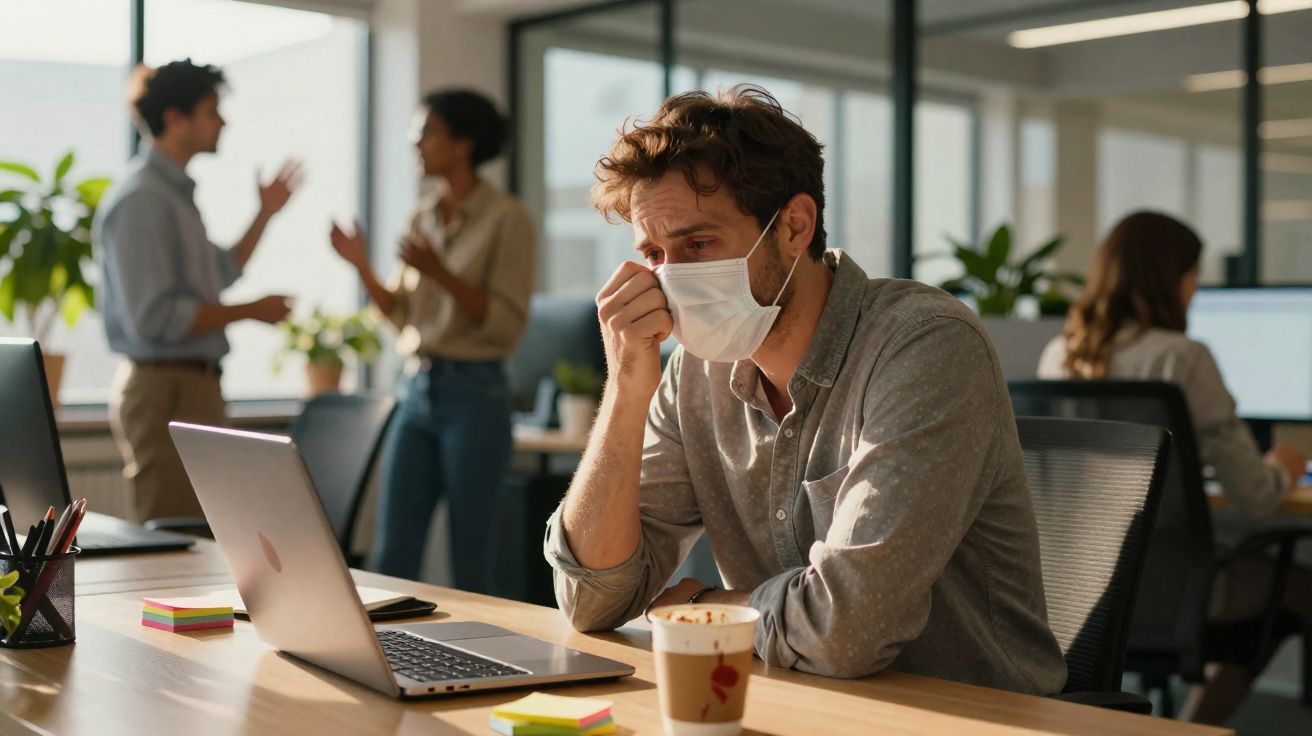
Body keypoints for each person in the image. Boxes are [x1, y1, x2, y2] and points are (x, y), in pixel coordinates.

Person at [542, 86, 1065, 691]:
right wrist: (627, 387)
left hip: (970, 717)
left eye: (699, 244)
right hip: (794, 704)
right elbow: (591, 599)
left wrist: (709, 602)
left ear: (794, 226)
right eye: (654, 254)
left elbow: (848, 629)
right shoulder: (693, 371)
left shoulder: (925, 347)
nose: (670, 279)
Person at [1038, 210, 1310, 723]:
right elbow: (1255, 497)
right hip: (1175, 592)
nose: (1196, 289)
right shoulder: (1183, 357)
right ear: (1172, 279)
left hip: (1079, 590)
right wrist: (1284, 468)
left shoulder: (1060, 353)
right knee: (1303, 587)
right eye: (1193, 275)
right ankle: (1196, 726)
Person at [329, 89, 536, 591]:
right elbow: (400, 314)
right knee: (391, 549)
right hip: (416, 390)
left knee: (472, 554)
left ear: (463, 144)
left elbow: (504, 324)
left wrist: (439, 272)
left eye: (426, 132)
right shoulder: (420, 217)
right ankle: (387, 656)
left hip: (476, 395)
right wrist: (361, 265)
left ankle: (485, 660)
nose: (414, 142)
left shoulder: (507, 219)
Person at [97, 59, 301, 523]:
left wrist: (265, 213)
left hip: (191, 384)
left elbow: (220, 272)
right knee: (172, 539)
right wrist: (249, 311)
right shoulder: (144, 198)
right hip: (165, 386)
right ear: (175, 118)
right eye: (212, 110)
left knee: (201, 537)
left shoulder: (174, 196)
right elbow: (155, 316)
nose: (222, 121)